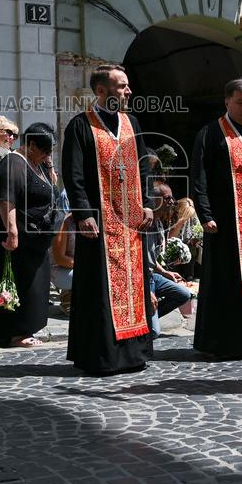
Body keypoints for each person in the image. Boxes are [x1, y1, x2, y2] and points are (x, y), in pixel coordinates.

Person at [61, 64, 154, 375]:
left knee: (134, 285)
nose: (128, 92)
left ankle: (133, 354)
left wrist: (149, 204)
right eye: (122, 86)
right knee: (99, 288)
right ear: (101, 91)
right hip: (99, 225)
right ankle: (101, 355)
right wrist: (83, 214)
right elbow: (73, 176)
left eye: (128, 86)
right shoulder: (80, 126)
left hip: (131, 225)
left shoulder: (132, 123)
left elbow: (144, 167)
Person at [190, 78, 242, 360]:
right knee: (226, 284)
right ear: (227, 102)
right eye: (240, 102)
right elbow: (199, 178)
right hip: (226, 225)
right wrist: (205, 214)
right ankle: (225, 342)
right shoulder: (210, 134)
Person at [0, 123, 58, 348]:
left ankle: (28, 328)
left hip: (35, 240)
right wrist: (12, 231)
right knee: (19, 283)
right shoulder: (13, 162)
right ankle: (16, 333)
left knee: (35, 284)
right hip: (17, 238)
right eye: (44, 150)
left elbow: (52, 186)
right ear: (31, 145)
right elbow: (7, 199)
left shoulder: (39, 163)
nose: (47, 155)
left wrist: (49, 163)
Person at [145, 181, 192, 339]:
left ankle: (148, 318)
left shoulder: (158, 223)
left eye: (172, 198)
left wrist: (165, 272)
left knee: (184, 294)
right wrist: (146, 290)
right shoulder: (144, 223)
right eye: (167, 198)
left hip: (153, 276)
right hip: (141, 279)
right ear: (154, 200)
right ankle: (146, 322)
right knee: (154, 333)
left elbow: (151, 258)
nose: (172, 202)